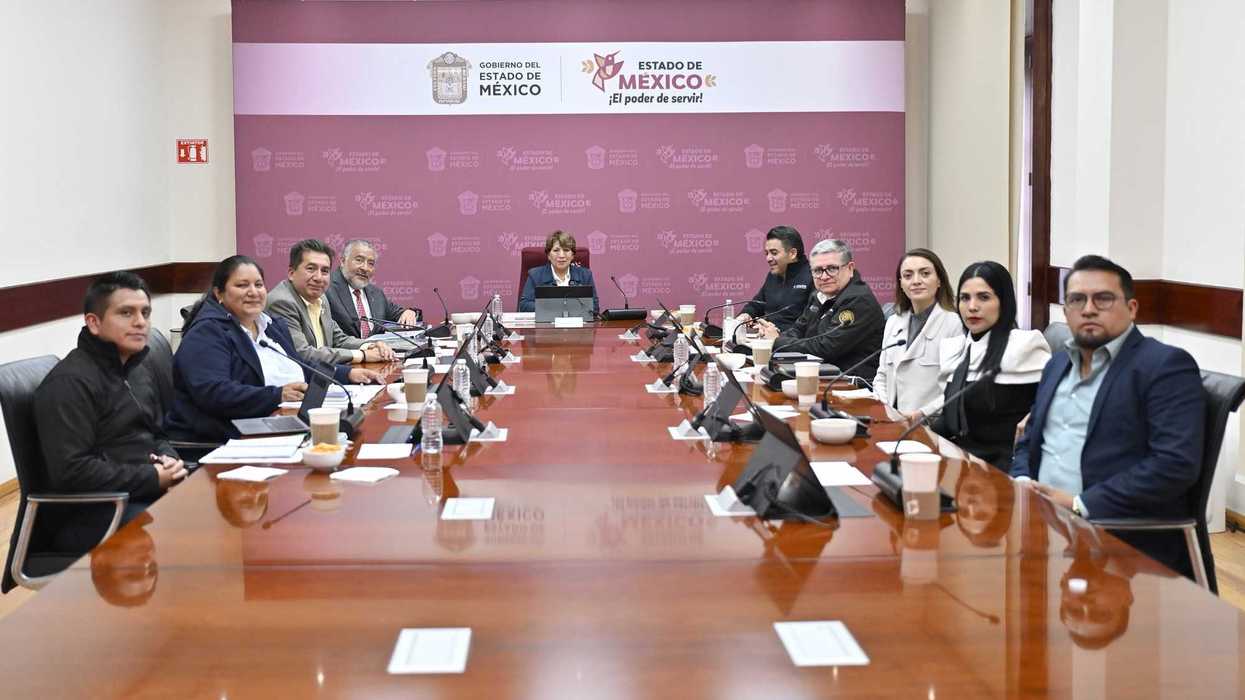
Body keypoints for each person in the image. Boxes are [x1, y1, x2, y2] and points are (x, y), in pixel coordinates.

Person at [1012, 255, 1205, 581]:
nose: (1088, 309)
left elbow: (1174, 464)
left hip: (1114, 540)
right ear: (1066, 311)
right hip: (1040, 528)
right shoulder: (1056, 365)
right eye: (1077, 299)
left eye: (1102, 298)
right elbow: (1029, 439)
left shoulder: (1164, 366)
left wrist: (1080, 504)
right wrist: (1019, 483)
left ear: (1131, 308)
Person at [33, 272, 187, 552]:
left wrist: (170, 460)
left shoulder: (136, 368)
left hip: (138, 493)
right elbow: (72, 472)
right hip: (92, 513)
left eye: (145, 312)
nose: (140, 322)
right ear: (94, 322)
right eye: (126, 313)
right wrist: (152, 478)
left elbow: (156, 434)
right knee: (194, 535)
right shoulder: (70, 383)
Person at [165, 255, 382, 445]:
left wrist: (347, 374)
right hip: (229, 436)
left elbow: (300, 366)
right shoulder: (207, 333)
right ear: (219, 293)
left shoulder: (270, 324)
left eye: (258, 285)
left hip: (277, 420)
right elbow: (214, 393)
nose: (253, 292)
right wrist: (277, 395)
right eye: (242, 285)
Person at [930, 261, 1050, 471]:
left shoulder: (1024, 346)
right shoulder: (956, 348)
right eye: (965, 298)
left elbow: (1054, 406)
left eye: (984, 297)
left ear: (1004, 302)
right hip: (960, 465)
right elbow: (951, 419)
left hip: (1007, 470)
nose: (972, 307)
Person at [754, 238, 885, 378]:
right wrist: (774, 335)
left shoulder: (858, 300)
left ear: (850, 268)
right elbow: (799, 330)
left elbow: (826, 347)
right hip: (820, 374)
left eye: (832, 269)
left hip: (851, 384)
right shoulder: (818, 295)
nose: (824, 276)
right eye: (817, 271)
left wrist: (778, 341)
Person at [266, 239, 396, 365]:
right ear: (291, 273)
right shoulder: (282, 302)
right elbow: (302, 354)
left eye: (325, 271)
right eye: (311, 268)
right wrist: (361, 355)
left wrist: (369, 345)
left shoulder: (321, 298)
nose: (318, 278)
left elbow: (338, 339)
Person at [873, 248, 964, 421]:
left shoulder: (954, 324)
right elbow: (881, 376)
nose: (916, 281)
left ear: (939, 280)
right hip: (892, 422)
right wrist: (886, 408)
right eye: (908, 276)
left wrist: (921, 414)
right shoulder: (893, 321)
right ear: (901, 283)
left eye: (925, 273)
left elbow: (955, 388)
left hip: (932, 424)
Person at [326, 238, 422, 338]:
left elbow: (398, 313)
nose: (365, 268)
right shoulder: (326, 288)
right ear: (342, 261)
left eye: (371, 263)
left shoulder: (376, 293)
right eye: (359, 260)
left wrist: (408, 312)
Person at [735, 226, 813, 332]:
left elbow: (811, 324)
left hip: (792, 343)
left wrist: (777, 332)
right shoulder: (773, 275)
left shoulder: (814, 276)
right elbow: (756, 304)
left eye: (774, 253)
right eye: (766, 253)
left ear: (792, 253)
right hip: (765, 338)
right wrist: (745, 315)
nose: (768, 258)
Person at [518, 230, 599, 314]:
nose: (561, 255)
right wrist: (559, 307)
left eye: (566, 250)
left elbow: (595, 307)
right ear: (548, 255)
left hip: (577, 324)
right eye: (556, 250)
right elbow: (524, 306)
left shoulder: (585, 275)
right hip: (545, 325)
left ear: (572, 256)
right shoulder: (535, 275)